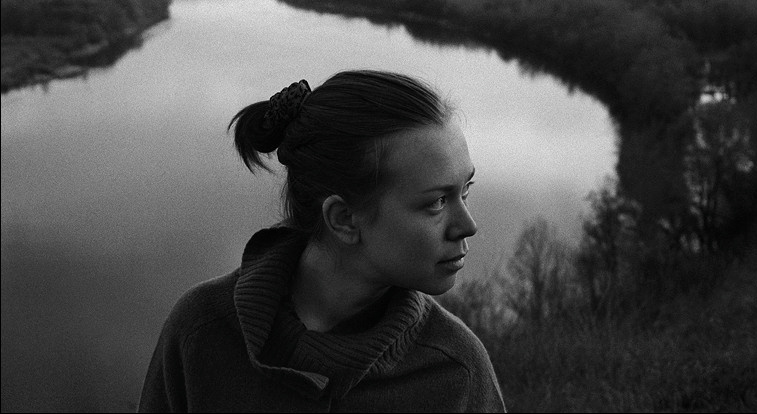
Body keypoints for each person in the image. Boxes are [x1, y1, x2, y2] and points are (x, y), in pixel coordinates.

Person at [138, 70, 506, 412]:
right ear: (344, 219)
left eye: (465, 190)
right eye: (437, 201)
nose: (468, 225)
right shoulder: (201, 332)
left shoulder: (456, 373)